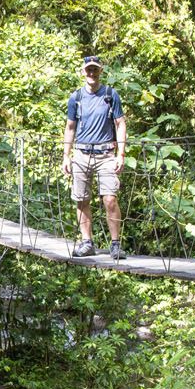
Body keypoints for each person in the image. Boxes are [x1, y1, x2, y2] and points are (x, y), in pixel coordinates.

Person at [61, 55, 127, 259]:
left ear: (101, 71)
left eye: (95, 70)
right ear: (83, 72)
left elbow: (120, 123)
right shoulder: (76, 98)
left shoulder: (110, 95)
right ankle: (87, 242)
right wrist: (66, 155)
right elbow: (70, 127)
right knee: (81, 199)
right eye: (88, 70)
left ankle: (115, 244)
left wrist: (121, 154)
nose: (91, 73)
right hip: (81, 154)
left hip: (106, 154)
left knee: (110, 199)